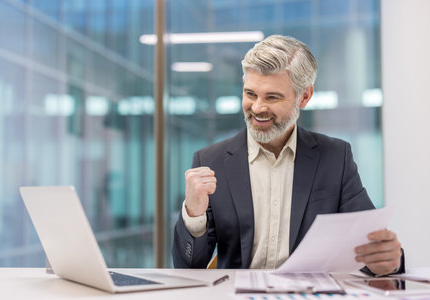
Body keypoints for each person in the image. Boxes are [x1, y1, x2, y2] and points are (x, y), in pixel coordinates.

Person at [172, 35, 403, 276]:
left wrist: (388, 259)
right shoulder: (211, 161)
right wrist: (193, 214)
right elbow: (189, 268)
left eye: (272, 97)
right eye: (250, 94)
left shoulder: (335, 158)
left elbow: (372, 246)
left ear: (304, 96)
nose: (258, 108)